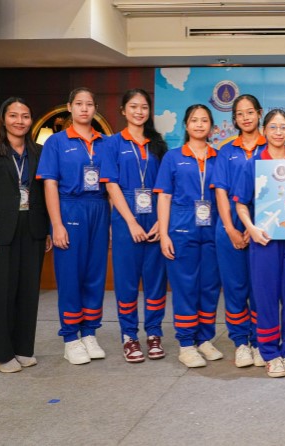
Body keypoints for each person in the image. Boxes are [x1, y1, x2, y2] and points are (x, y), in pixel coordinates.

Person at [0, 97, 52, 373]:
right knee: (1, 294)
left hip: (32, 228)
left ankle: (23, 349)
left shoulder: (39, 152)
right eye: (14, 115)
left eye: (25, 116)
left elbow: (44, 194)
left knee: (28, 292)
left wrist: (47, 229)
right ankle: (2, 354)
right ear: (3, 119)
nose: (20, 121)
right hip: (0, 232)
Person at [235, 109, 285, 378]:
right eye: (273, 127)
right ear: (264, 131)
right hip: (264, 240)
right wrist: (251, 229)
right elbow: (241, 203)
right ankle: (269, 354)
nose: (278, 132)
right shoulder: (253, 164)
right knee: (265, 296)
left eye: (283, 127)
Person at [37, 87, 111, 365]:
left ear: (95, 109)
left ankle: (89, 332)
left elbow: (111, 184)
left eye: (89, 104)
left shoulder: (105, 142)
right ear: (69, 107)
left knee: (95, 274)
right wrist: (56, 224)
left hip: (99, 208)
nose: (84, 108)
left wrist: (112, 222)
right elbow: (50, 184)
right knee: (70, 275)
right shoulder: (56, 142)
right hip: (70, 207)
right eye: (79, 103)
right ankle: (70, 337)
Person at [100, 88, 169, 363]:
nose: (139, 112)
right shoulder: (112, 144)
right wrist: (130, 222)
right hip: (125, 217)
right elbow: (111, 184)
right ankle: (129, 336)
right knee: (127, 280)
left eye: (144, 107)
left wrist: (161, 222)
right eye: (133, 106)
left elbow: (166, 187)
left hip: (155, 215)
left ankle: (154, 333)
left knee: (155, 280)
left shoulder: (158, 144)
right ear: (123, 110)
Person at [155, 104, 222, 368]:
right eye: (194, 120)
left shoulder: (219, 157)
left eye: (204, 120)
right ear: (186, 125)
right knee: (185, 286)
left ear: (211, 127)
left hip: (212, 225)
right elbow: (164, 197)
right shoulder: (172, 157)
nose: (199, 124)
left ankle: (204, 338)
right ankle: (185, 343)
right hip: (182, 225)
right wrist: (163, 234)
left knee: (209, 286)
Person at [214, 94, 267, 368]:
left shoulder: (270, 146)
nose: (245, 118)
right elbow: (221, 191)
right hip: (230, 226)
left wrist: (255, 227)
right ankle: (240, 342)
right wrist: (231, 228)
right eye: (240, 114)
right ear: (234, 119)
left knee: (260, 287)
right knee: (235, 287)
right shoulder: (226, 151)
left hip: (263, 227)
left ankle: (259, 341)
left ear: (259, 113)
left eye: (250, 112)